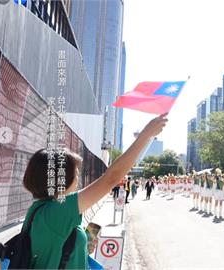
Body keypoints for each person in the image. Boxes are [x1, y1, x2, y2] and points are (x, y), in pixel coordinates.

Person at [20, 113, 167, 269]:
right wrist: (146, 135)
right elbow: (112, 177)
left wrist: (81, 246)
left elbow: (52, 250)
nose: (78, 177)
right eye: (75, 172)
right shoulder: (57, 212)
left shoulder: (39, 211)